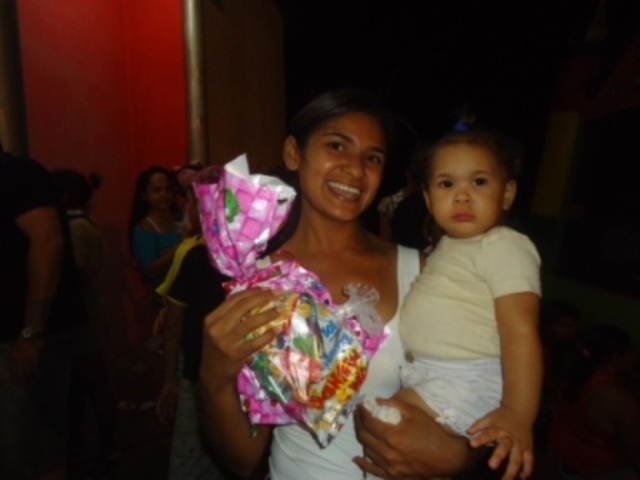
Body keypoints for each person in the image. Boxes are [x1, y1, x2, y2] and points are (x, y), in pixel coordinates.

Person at [199, 89, 487, 480]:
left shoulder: (423, 272)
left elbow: (484, 392)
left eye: (373, 158)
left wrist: (460, 458)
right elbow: (244, 459)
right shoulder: (260, 282)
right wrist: (214, 376)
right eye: (337, 146)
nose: (355, 169)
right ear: (294, 153)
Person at [379, 127, 542, 479]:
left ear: (507, 193)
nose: (462, 196)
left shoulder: (504, 245)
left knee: (393, 435)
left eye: (479, 182)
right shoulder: (446, 247)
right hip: (430, 374)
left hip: (467, 380)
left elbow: (520, 331)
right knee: (390, 443)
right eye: (446, 184)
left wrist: (517, 413)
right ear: (428, 199)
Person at [0, 148, 88, 479]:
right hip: (18, 334)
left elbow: (48, 244)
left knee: (26, 449)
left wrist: (31, 333)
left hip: (23, 335)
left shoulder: (15, 173)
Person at [155, 165, 229, 479]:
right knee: (194, 455)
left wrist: (171, 379)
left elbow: (174, 323)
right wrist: (171, 378)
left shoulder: (252, 259)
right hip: (197, 373)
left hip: (228, 378)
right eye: (197, 204)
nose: (200, 212)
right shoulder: (195, 256)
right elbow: (174, 323)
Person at [51, 168, 120, 479]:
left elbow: (76, 274)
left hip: (80, 314)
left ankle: (108, 448)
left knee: (93, 384)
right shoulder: (82, 223)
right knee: (84, 385)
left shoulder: (75, 228)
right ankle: (93, 447)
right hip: (84, 311)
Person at [549, 324, 640, 479]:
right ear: (616, 357)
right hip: (595, 469)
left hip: (563, 457)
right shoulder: (614, 398)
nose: (635, 357)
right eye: (631, 352)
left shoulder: (574, 374)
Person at [128, 165, 182, 291]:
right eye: (157, 190)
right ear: (144, 195)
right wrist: (180, 248)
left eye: (168, 189)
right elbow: (149, 270)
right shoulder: (144, 228)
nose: (164, 194)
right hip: (165, 293)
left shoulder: (182, 218)